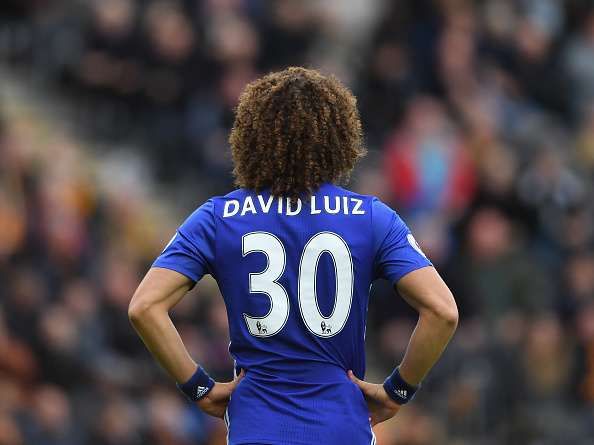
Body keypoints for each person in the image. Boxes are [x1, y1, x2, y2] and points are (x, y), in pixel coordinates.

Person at [128, 67, 458, 444]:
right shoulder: (371, 218)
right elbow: (442, 311)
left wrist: (199, 387)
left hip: (258, 425)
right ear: (339, 138)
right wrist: (397, 391)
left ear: (251, 137)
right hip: (341, 426)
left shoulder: (218, 218)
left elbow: (144, 307)